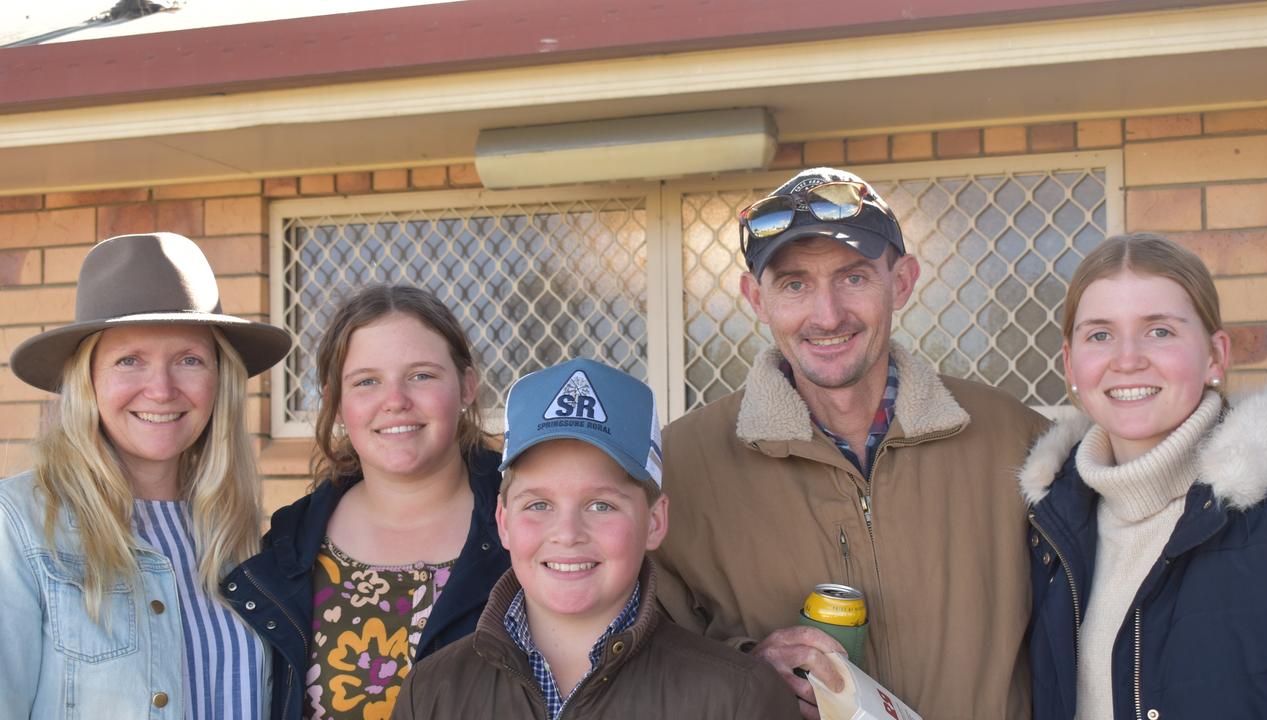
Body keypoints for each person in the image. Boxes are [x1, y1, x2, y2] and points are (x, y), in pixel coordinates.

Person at [652, 167, 1050, 719]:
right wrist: (747, 671)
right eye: (794, 284)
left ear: (903, 281)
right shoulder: (682, 466)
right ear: (756, 298)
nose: (828, 315)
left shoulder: (1016, 441)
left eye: (854, 277)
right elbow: (641, 660)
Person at [392, 358, 800, 719]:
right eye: (538, 505)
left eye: (601, 505)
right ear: (503, 522)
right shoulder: (432, 693)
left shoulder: (738, 698)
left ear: (655, 522)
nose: (567, 534)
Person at [0, 232, 292, 719]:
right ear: (87, 380)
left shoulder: (238, 534)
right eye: (129, 360)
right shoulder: (20, 525)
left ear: (222, 381)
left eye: (189, 360)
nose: (161, 389)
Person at [1021, 233, 1267, 719]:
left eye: (1159, 330)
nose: (1127, 358)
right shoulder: (1044, 531)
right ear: (1070, 364)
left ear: (1215, 355)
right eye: (1100, 334)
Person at [221, 284, 509, 720]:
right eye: (367, 381)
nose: (395, 401)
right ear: (336, 403)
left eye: (422, 375)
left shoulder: (529, 524)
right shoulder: (286, 551)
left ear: (467, 386)